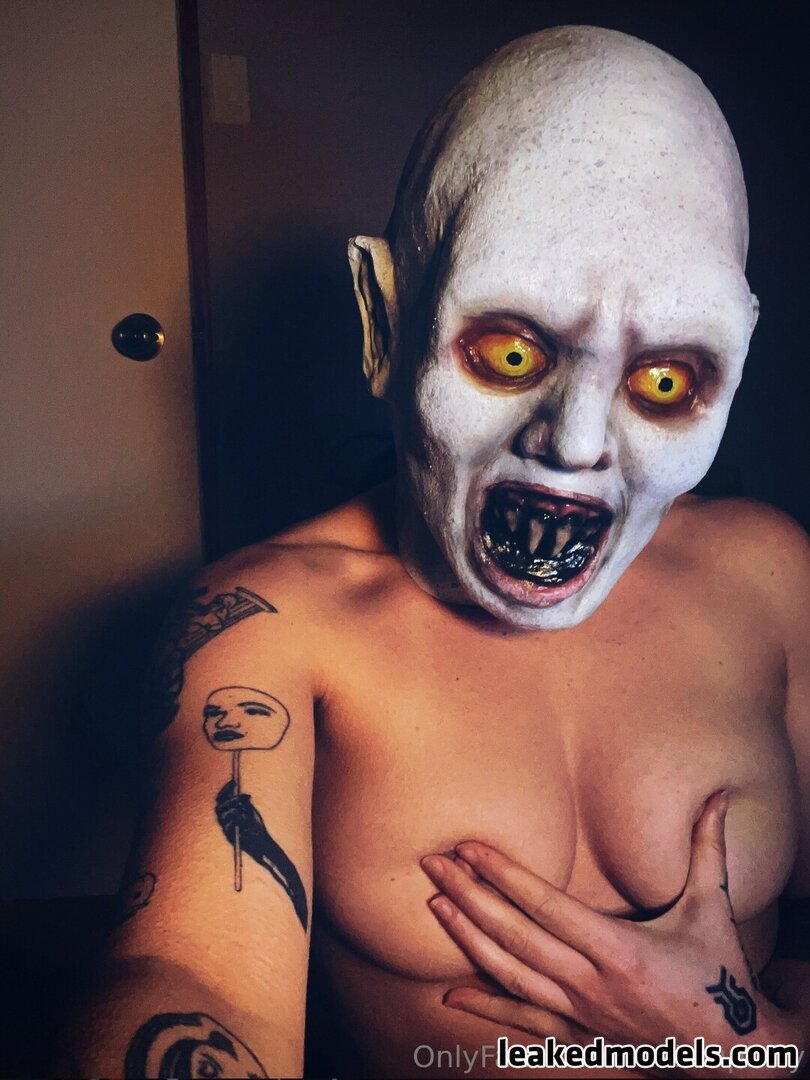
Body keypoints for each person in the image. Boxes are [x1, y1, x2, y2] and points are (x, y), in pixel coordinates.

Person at [66, 25, 810, 1079]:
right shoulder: (267, 625)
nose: (578, 444)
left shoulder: (771, 578)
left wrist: (746, 1043)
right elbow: (192, 972)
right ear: (386, 319)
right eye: (509, 351)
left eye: (663, 382)